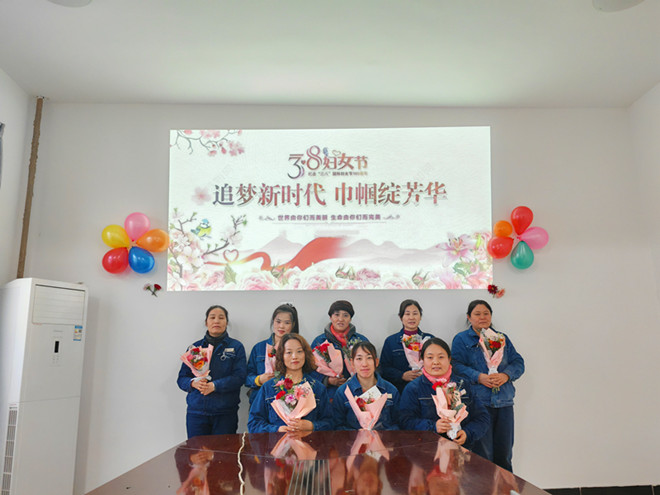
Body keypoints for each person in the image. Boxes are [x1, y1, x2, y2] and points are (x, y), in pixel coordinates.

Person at [451, 300, 525, 472]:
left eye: (486, 313)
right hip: (478, 403)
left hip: (504, 402)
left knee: (504, 454)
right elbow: (456, 365)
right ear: (469, 317)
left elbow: (518, 362)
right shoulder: (461, 339)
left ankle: (505, 486)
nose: (482, 317)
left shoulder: (501, 338)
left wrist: (505, 376)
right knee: (482, 456)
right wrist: (479, 377)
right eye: (477, 314)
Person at [399, 338, 489, 451]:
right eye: (430, 357)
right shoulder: (413, 388)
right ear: (422, 360)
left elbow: (482, 418)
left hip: (461, 450)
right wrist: (433, 426)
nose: (436, 362)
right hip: (426, 451)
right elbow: (405, 421)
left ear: (449, 359)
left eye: (441, 357)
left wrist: (467, 433)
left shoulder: (463, 385)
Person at [177, 305, 247, 438]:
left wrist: (215, 386)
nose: (216, 321)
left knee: (223, 450)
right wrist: (193, 383)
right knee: (197, 451)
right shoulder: (195, 348)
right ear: (206, 322)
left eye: (221, 318)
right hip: (197, 413)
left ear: (226, 322)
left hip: (225, 413)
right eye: (212, 317)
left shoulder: (236, 347)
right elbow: (181, 379)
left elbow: (240, 377)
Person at [247, 333, 333, 433]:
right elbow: (254, 424)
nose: (294, 356)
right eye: (288, 352)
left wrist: (312, 426)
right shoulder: (268, 387)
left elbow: (330, 423)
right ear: (281, 356)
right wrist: (277, 429)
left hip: (309, 442)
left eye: (299, 351)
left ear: (305, 354)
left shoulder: (317, 388)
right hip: (276, 442)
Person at [332, 342, 400, 430]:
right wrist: (356, 434)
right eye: (359, 359)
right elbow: (337, 426)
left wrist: (380, 435)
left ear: (376, 362)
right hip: (353, 439)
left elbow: (398, 424)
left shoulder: (391, 390)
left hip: (384, 438)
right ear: (352, 363)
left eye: (369, 358)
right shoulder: (343, 392)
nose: (364, 364)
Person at [310, 300, 370, 401]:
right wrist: (328, 380)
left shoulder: (361, 340)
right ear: (330, 317)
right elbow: (310, 369)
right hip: (329, 394)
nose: (341, 319)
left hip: (357, 392)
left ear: (350, 319)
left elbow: (371, 365)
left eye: (345, 315)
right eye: (336, 315)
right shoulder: (319, 342)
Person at [245, 303, 299, 403]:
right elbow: (246, 378)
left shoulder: (299, 348)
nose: (281, 326)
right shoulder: (259, 348)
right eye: (278, 321)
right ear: (273, 321)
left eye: (287, 323)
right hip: (261, 401)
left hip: (288, 402)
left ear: (293, 325)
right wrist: (259, 380)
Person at [379, 299, 435, 393]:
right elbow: (384, 369)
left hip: (427, 388)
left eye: (415, 313)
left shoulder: (430, 339)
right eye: (407, 314)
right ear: (401, 317)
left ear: (420, 316)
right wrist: (402, 375)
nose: (411, 317)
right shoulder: (391, 341)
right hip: (400, 390)